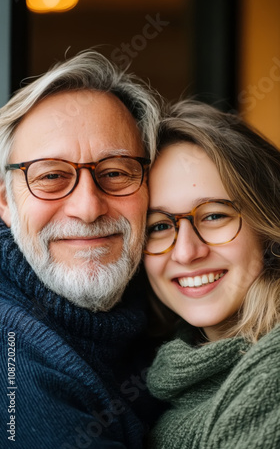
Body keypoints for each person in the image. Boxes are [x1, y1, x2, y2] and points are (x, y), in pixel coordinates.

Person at [0, 49, 164, 449]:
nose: (88, 208)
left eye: (115, 172)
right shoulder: (15, 363)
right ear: (5, 201)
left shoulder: (168, 298)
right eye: (52, 176)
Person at [144, 100, 280, 449]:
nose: (187, 252)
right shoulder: (164, 371)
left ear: (266, 223)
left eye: (215, 215)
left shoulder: (272, 372)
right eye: (159, 225)